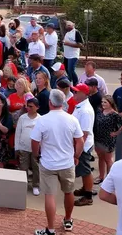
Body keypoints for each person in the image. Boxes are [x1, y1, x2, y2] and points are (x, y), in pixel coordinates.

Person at [31, 89, 84, 235]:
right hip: (67, 163)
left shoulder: (42, 120)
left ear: (50, 103)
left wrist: (36, 155)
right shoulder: (72, 119)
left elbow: (34, 141)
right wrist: (76, 155)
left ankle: (50, 229)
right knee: (69, 191)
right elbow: (80, 141)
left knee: (49, 195)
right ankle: (68, 220)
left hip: (48, 164)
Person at [69, 83, 96, 207]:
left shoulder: (85, 111)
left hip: (83, 145)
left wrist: (78, 151)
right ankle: (85, 188)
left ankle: (88, 196)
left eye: (76, 92)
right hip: (81, 144)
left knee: (85, 171)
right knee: (84, 170)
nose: (74, 93)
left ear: (84, 94)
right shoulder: (80, 106)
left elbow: (84, 134)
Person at [94, 96, 122, 185]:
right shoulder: (100, 111)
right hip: (98, 138)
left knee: (108, 160)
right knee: (100, 158)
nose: (103, 104)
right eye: (102, 102)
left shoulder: (114, 114)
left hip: (108, 140)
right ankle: (101, 176)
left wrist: (116, 133)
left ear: (110, 103)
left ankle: (109, 179)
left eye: (105, 102)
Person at [15, 98, 41, 196]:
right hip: (23, 147)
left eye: (31, 106)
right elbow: (18, 133)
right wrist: (16, 147)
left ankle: (36, 185)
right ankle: (23, 184)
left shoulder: (41, 119)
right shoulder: (22, 118)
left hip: (36, 149)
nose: (28, 108)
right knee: (23, 167)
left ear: (37, 107)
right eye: (27, 106)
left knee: (36, 167)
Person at [62, 21, 84, 86]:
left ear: (73, 25)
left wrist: (68, 44)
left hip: (73, 55)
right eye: (67, 25)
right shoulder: (67, 33)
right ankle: (70, 81)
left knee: (71, 70)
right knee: (67, 69)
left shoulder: (76, 32)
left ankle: (76, 83)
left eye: (69, 25)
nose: (67, 26)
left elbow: (81, 45)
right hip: (66, 55)